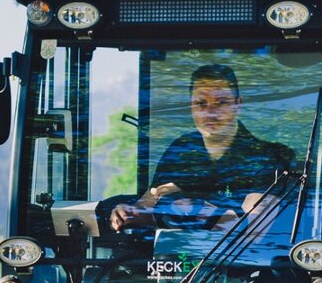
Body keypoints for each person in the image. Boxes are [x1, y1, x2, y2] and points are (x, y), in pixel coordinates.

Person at [111, 64, 295, 231]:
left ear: (237, 105)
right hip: (174, 253)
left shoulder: (266, 158)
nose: (210, 113)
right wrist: (128, 214)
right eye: (201, 104)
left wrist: (193, 205)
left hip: (242, 258)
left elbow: (251, 231)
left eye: (221, 103)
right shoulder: (182, 150)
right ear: (191, 107)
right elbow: (148, 208)